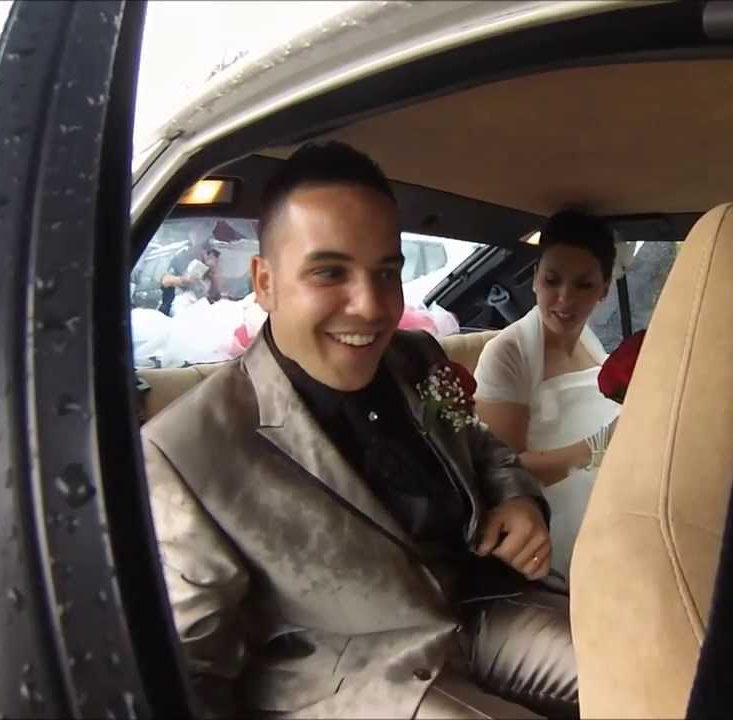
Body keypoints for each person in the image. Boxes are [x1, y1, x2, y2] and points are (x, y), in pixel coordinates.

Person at [142, 141, 577, 719]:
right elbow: (191, 668)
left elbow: (480, 444)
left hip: (486, 605)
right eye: (329, 272)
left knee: (660, 672)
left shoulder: (415, 355)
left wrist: (517, 498)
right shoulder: (184, 450)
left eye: (386, 273)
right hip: (359, 680)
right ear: (264, 282)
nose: (371, 307)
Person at [473, 210, 622, 583]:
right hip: (552, 515)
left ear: (604, 289)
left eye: (584, 285)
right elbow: (503, 470)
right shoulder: (508, 353)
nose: (564, 299)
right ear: (536, 278)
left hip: (612, 489)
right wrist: (598, 448)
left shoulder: (590, 342)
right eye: (552, 280)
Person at [158, 222, 215, 316]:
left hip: (210, 305)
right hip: (184, 304)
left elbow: (221, 290)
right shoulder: (179, 254)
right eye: (195, 230)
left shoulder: (215, 254)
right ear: (189, 232)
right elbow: (164, 280)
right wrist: (183, 280)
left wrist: (214, 271)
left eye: (203, 228)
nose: (199, 233)